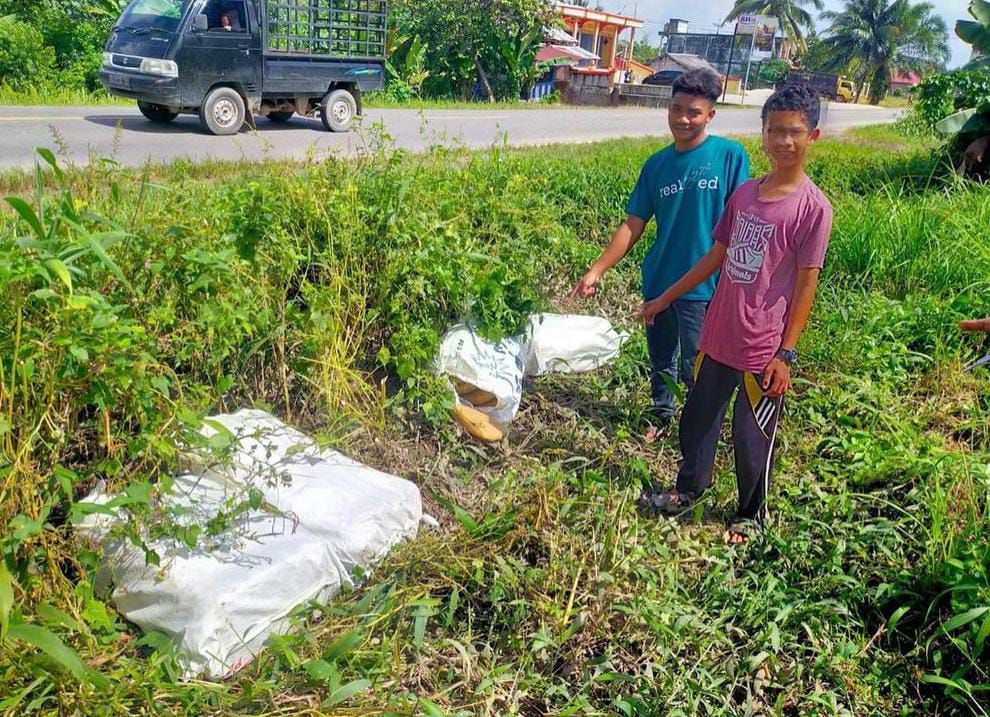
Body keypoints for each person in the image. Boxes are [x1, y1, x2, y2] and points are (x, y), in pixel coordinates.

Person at [639, 83, 834, 545]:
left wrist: (786, 353)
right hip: (719, 333)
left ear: (814, 137)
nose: (783, 142)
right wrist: (667, 297)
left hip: (763, 346)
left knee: (752, 439)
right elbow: (716, 256)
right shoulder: (745, 194)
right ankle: (690, 489)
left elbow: (807, 282)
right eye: (774, 131)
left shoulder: (813, 208)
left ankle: (750, 516)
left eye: (794, 132)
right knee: (698, 419)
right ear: (762, 135)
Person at [570, 69, 750, 436]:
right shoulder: (656, 165)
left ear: (710, 115)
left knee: (696, 364)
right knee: (661, 359)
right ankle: (661, 417)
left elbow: (741, 221)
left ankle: (697, 430)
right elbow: (633, 224)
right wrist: (597, 269)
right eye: (676, 109)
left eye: (694, 112)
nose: (683, 119)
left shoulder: (730, 156)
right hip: (659, 278)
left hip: (705, 284)